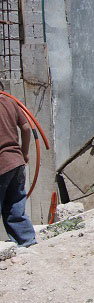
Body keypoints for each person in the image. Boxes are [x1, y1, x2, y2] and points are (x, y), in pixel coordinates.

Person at [0, 86, 37, 247]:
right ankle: (27, 241)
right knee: (15, 204)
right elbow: (26, 128)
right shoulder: (10, 102)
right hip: (17, 162)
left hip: (1, 164)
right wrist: (25, 152)